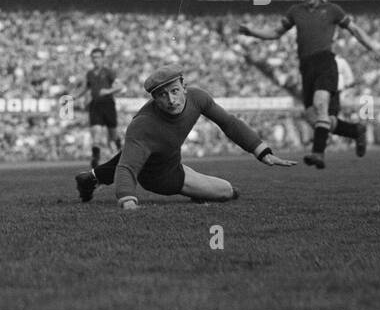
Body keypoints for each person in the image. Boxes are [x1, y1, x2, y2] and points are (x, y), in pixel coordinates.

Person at [75, 65, 296, 207]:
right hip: (161, 177)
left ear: (185, 87)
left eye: (174, 91)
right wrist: (127, 199)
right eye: (162, 95)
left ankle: (92, 177)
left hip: (169, 159)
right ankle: (94, 177)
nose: (171, 100)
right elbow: (127, 168)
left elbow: (228, 123)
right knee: (227, 192)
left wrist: (261, 151)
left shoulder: (199, 98)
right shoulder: (143, 125)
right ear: (153, 98)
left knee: (144, 150)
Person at [237, 0, 380, 169]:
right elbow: (275, 33)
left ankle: (318, 153)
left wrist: (373, 49)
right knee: (313, 118)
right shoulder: (295, 11)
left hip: (325, 62)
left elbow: (355, 30)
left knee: (320, 105)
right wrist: (251, 31)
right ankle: (355, 131)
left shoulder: (332, 10)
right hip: (306, 66)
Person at [78, 46, 122, 167]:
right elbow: (85, 88)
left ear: (103, 58)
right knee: (96, 134)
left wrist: (108, 91)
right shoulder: (90, 74)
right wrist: (74, 96)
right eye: (93, 57)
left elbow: (120, 86)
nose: (95, 60)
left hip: (108, 105)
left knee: (113, 134)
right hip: (95, 105)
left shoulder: (109, 72)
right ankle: (95, 160)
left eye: (97, 57)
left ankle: (122, 155)